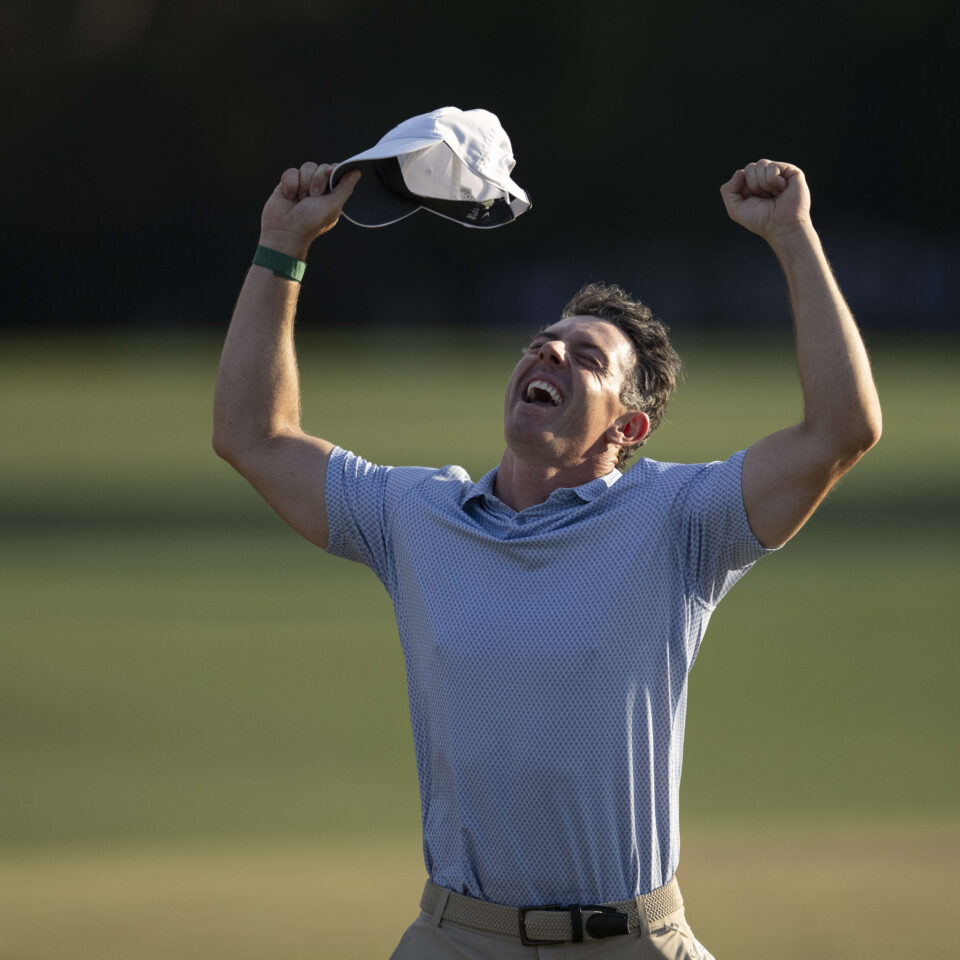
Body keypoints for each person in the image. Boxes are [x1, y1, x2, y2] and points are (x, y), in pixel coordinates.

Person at [213, 157, 881, 959]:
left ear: (628, 431)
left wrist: (793, 236)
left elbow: (841, 430)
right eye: (541, 344)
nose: (548, 356)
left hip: (631, 940)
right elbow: (252, 435)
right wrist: (283, 245)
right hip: (457, 940)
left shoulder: (678, 520)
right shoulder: (415, 514)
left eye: (587, 359)